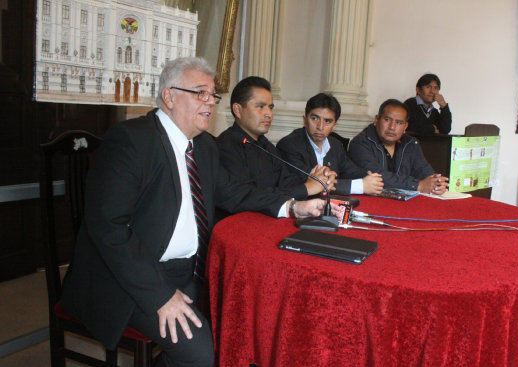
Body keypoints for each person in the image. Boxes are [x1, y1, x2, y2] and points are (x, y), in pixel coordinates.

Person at [61, 57, 333, 367]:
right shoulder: (131, 141)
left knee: (249, 322)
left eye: (213, 95)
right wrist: (160, 295)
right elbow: (108, 228)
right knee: (203, 353)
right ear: (169, 96)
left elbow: (236, 192)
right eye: (199, 93)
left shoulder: (204, 146)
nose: (210, 102)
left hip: (191, 270)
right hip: (130, 277)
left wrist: (292, 206)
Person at [216, 77, 333, 202]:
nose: (269, 114)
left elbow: (286, 181)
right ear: (237, 110)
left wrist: (315, 180)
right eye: (260, 107)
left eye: (270, 107)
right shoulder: (226, 146)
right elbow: (248, 196)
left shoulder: (265, 145)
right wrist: (307, 188)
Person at [276, 93, 384, 196]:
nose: (320, 126)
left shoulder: (336, 145)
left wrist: (370, 178)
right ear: (305, 120)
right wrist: (361, 186)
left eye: (327, 121)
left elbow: (351, 171)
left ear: (334, 126)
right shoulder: (289, 145)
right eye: (314, 118)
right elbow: (313, 183)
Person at [348, 98, 449, 195]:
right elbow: (377, 177)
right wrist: (418, 185)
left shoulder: (410, 144)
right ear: (376, 120)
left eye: (399, 123)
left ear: (405, 127)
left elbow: (424, 171)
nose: (392, 127)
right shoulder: (360, 144)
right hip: (370, 202)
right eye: (387, 120)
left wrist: (436, 184)